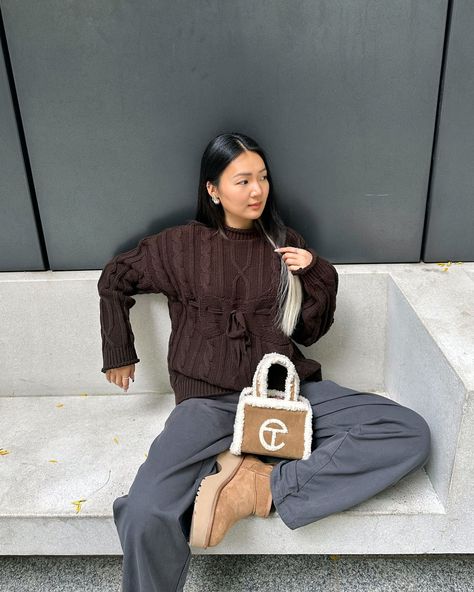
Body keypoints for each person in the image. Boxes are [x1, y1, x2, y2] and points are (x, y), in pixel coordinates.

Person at [97, 132, 431, 592]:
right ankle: (238, 467)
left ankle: (262, 487)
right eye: (242, 180)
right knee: (143, 511)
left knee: (406, 432)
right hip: (207, 403)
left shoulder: (283, 243)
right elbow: (115, 277)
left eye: (263, 178)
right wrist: (119, 351)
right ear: (213, 190)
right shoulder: (177, 247)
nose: (257, 191)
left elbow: (309, 333)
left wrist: (315, 271)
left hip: (285, 396)